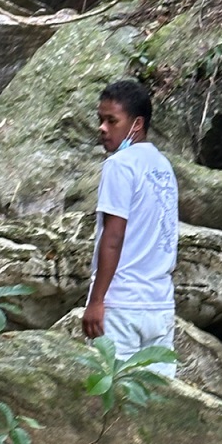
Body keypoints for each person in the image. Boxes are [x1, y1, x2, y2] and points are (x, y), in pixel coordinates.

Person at [82, 77, 179, 374]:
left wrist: (96, 301)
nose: (102, 128)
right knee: (156, 406)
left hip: (121, 307)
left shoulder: (119, 165)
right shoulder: (164, 167)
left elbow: (113, 237)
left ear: (136, 124)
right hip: (159, 307)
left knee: (112, 408)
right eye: (100, 119)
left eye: (112, 121)